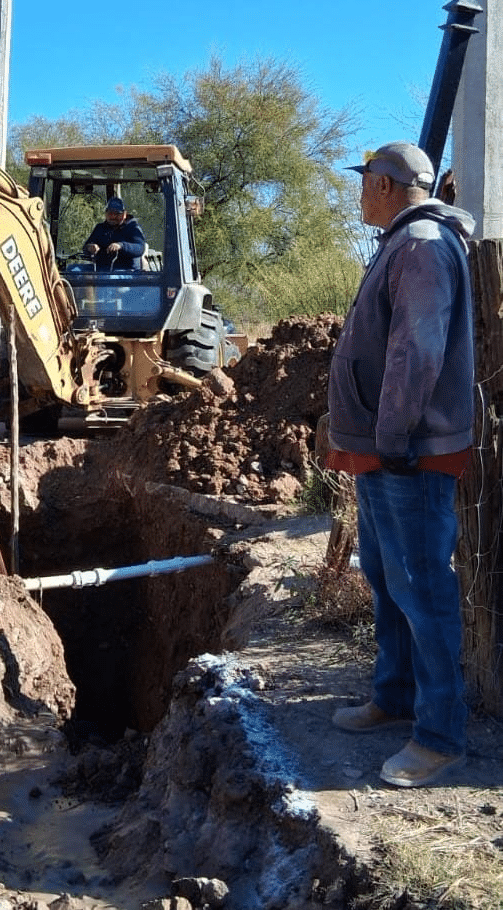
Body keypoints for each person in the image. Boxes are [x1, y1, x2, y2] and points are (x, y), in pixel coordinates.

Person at [325, 141, 475, 788]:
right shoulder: (401, 242)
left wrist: (392, 435)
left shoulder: (419, 248)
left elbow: (417, 351)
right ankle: (394, 695)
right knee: (389, 579)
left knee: (422, 588)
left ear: (385, 185)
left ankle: (440, 737)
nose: (359, 193)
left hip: (407, 452)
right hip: (384, 449)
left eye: (365, 183)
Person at [83, 197, 146, 270]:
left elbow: (140, 248)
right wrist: (90, 247)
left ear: (125, 214)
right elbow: (86, 247)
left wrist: (121, 246)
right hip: (101, 270)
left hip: (126, 271)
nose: (113, 217)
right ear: (106, 213)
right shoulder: (100, 228)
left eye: (117, 213)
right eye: (110, 213)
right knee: (73, 269)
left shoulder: (133, 228)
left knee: (112, 277)